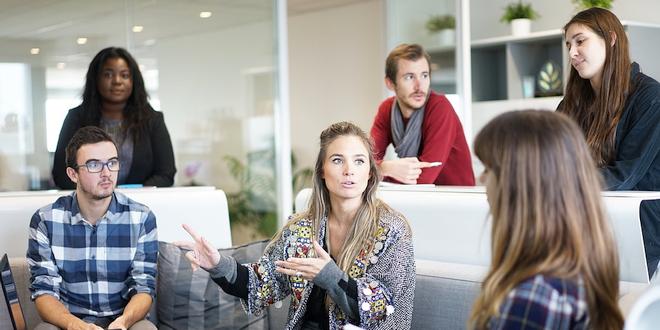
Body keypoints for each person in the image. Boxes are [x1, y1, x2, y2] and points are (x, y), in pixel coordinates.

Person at [176, 122, 415, 329]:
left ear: (370, 173)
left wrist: (330, 277)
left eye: (359, 161)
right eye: (337, 160)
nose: (349, 170)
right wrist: (218, 265)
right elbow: (264, 283)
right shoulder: (301, 228)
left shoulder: (392, 230)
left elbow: (382, 308)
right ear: (322, 170)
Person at [469, 110, 623, 329]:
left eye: (488, 169)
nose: (481, 179)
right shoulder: (577, 276)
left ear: (519, 184)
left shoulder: (533, 299)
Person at [557, 7, 660, 276]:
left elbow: (625, 175)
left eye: (580, 41)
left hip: (638, 231)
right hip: (583, 225)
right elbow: (550, 159)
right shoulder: (571, 104)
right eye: (569, 45)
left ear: (611, 39)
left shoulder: (651, 97)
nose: (572, 53)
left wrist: (559, 182)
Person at [28, 126, 158, 330]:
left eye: (112, 163)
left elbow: (144, 287)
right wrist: (75, 325)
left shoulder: (142, 218)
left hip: (123, 321)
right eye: (94, 165)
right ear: (73, 174)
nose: (106, 173)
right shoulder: (45, 220)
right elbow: (44, 292)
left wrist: (123, 322)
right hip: (69, 322)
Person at [52, 46, 176, 189]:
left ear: (133, 80)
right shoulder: (76, 118)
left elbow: (166, 174)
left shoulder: (153, 120)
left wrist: (131, 197)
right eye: (108, 75)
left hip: (140, 205)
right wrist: (98, 194)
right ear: (95, 79)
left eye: (124, 75)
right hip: (89, 206)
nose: (117, 81)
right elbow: (61, 174)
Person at [370, 43, 474, 185]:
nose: (419, 86)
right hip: (417, 198)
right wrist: (385, 167)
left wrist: (381, 170)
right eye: (409, 77)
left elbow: (424, 178)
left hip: (455, 199)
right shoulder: (386, 109)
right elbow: (365, 162)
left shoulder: (439, 107)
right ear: (390, 83)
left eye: (424, 75)